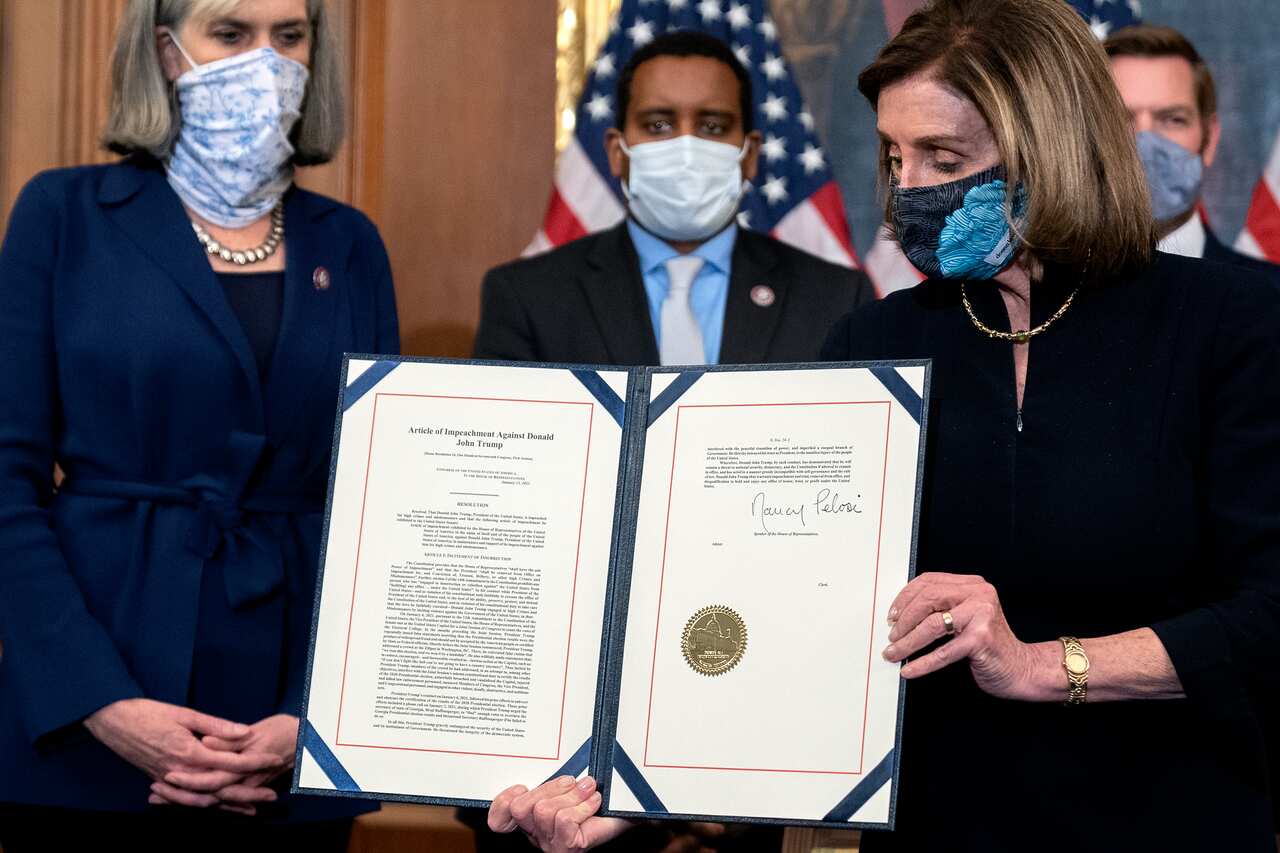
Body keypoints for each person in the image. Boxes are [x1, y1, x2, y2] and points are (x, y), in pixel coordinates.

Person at [492, 1, 1280, 851]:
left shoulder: (1232, 324)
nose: (909, 190)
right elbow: (793, 610)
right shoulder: (875, 341)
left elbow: (1270, 615)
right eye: (896, 156)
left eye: (944, 156)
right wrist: (639, 790)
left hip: (1167, 818)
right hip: (939, 824)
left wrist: (1043, 665)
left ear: (1051, 144)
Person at [0, 0, 398, 849]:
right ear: (165, 51)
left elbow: (383, 512)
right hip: (91, 722)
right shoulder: (63, 215)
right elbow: (6, 480)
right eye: (231, 32)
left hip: (287, 744)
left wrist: (312, 716)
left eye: (289, 37)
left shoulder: (351, 243)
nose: (268, 60)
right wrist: (99, 700)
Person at [472, 30, 873, 368]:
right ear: (616, 152)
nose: (686, 145)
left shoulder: (835, 298)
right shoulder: (528, 296)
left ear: (749, 155)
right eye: (658, 124)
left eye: (713, 126)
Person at [1105, 24, 1280, 277]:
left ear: (1209, 140)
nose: (1144, 142)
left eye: (1173, 119)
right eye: (1119, 120)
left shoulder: (1272, 297)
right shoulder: (1040, 296)